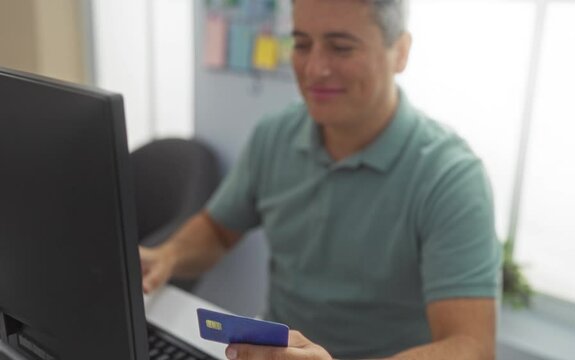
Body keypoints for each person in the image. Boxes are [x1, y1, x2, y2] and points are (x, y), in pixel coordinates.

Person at [140, 0, 501, 359]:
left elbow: (470, 347)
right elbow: (218, 231)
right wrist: (168, 256)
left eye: (341, 47)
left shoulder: (451, 177)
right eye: (301, 44)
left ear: (400, 52)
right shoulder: (274, 135)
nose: (314, 68)